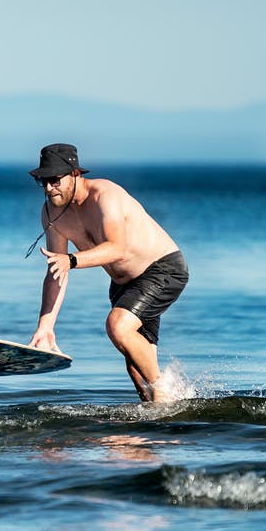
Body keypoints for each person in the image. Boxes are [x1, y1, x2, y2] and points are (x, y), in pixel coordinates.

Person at [25, 143, 188, 402]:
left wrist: (72, 260)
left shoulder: (105, 196)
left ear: (75, 173)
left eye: (54, 180)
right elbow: (58, 268)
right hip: (123, 282)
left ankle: (166, 387)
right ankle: (155, 426)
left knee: (118, 326)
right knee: (135, 366)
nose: (48, 188)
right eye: (43, 182)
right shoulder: (51, 213)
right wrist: (46, 326)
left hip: (163, 269)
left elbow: (117, 248)